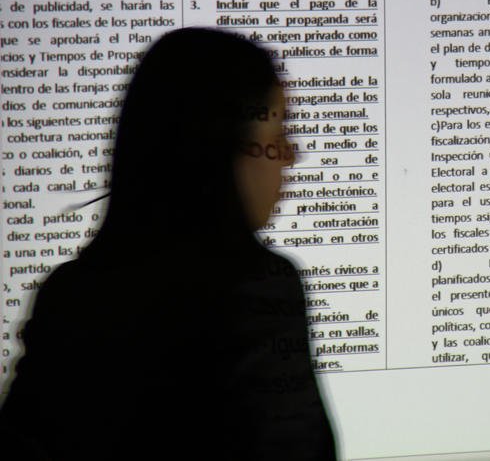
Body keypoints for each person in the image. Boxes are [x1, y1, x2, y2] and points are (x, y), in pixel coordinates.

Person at [0, 28, 336, 459]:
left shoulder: (70, 294)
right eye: (276, 129)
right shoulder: (258, 292)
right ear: (222, 146)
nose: (289, 154)